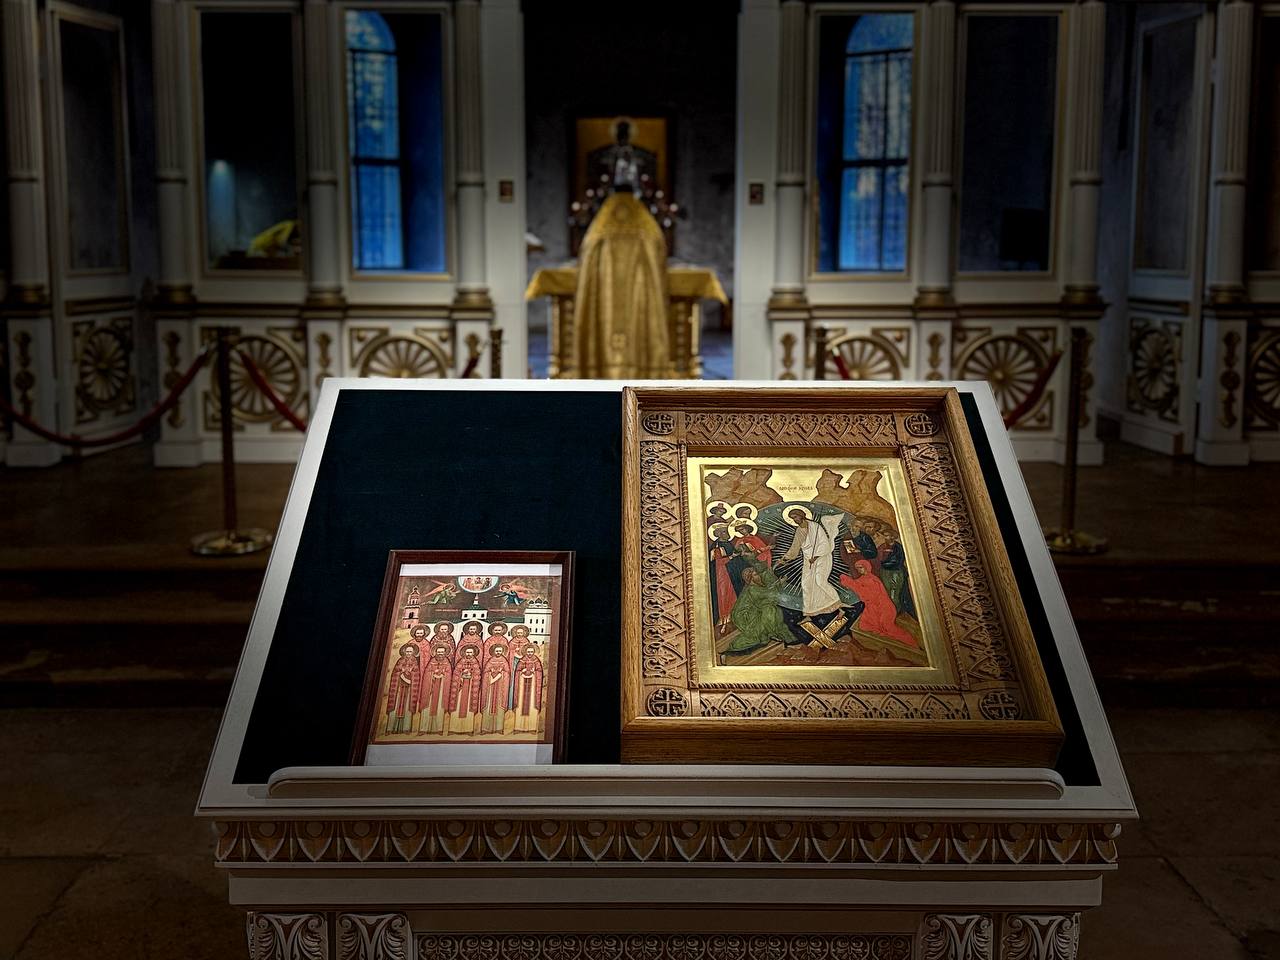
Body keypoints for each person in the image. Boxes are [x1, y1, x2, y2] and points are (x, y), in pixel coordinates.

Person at [778, 508, 845, 616]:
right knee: (806, 584)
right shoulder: (799, 531)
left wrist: (816, 556)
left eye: (795, 517)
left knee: (820, 581)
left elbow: (824, 543)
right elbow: (795, 547)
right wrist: (785, 558)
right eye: (792, 518)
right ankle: (810, 612)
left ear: (801, 515)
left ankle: (838, 604)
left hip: (822, 557)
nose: (795, 520)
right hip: (808, 560)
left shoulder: (815, 527)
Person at [839, 560, 919, 647]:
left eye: (861, 567)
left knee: (888, 628)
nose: (859, 570)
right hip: (873, 608)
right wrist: (847, 582)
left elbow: (868, 595)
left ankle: (911, 643)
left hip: (884, 608)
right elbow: (856, 584)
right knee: (864, 625)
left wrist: (850, 584)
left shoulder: (873, 580)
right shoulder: (863, 578)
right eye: (857, 568)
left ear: (867, 567)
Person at [725, 561, 791, 654]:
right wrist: (780, 583)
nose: (759, 576)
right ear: (751, 578)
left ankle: (773, 631)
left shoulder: (756, 586)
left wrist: (777, 581)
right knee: (769, 610)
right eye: (756, 575)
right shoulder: (752, 589)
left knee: (770, 608)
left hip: (753, 611)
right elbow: (768, 594)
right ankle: (772, 632)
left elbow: (767, 591)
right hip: (745, 617)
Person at [384, 643, 421, 735]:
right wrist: (401, 674)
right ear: (404, 652)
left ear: (413, 652)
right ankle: (390, 728)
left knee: (407, 707)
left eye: (410, 652)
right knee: (395, 706)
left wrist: (410, 678)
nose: (408, 653)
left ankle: (406, 728)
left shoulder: (415, 662)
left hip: (409, 689)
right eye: (407, 651)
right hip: (399, 688)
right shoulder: (400, 661)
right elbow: (395, 672)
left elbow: (416, 674)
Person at [447, 643, 483, 735]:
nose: (469, 654)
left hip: (470, 689)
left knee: (468, 710)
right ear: (464, 653)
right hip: (460, 690)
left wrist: (471, 675)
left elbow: (478, 675)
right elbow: (455, 674)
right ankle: (454, 729)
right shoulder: (460, 662)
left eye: (470, 652)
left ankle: (468, 729)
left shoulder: (475, 663)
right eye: (467, 652)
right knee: (457, 707)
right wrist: (461, 675)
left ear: (473, 653)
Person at [419, 642, 454, 735]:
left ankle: (438, 729)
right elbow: (427, 674)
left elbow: (449, 675)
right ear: (435, 652)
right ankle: (423, 729)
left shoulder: (447, 663)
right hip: (431, 690)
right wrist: (433, 674)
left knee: (439, 708)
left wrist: (443, 674)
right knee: (427, 708)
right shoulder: (431, 662)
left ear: (445, 653)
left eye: (442, 652)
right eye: (438, 652)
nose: (440, 654)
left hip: (441, 689)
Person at [511, 641, 544, 734]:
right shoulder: (522, 660)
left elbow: (539, 671)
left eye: (531, 652)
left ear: (534, 652)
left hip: (533, 687)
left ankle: (532, 728)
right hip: (522, 687)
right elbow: (517, 671)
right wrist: (522, 671)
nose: (530, 653)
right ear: (525, 652)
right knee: (520, 706)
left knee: (532, 706)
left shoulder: (536, 661)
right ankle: (518, 728)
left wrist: (534, 672)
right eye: (528, 652)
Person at [479, 642, 512, 734]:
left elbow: (507, 673)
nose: (498, 652)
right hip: (490, 689)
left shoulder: (504, 661)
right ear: (494, 651)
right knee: (488, 706)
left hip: (500, 688)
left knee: (499, 708)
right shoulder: (490, 660)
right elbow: (485, 672)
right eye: (497, 651)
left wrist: (502, 673)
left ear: (502, 652)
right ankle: (486, 728)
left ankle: (499, 728)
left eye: (500, 651)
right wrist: (490, 673)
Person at [879, 537, 915, 617]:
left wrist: (885, 563)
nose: (886, 537)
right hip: (886, 572)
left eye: (888, 535)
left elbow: (898, 560)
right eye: (885, 535)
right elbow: (878, 556)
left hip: (896, 572)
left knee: (895, 592)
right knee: (887, 591)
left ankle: (895, 611)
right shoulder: (883, 546)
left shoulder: (898, 547)